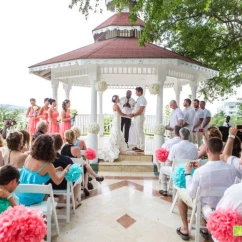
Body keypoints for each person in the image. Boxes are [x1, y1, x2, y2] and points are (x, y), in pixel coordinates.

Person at [176, 138, 236, 241]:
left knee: (181, 193)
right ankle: (206, 228)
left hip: (205, 207)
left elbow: (191, 193)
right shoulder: (232, 169)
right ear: (221, 149)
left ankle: (185, 228)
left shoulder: (201, 172)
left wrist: (187, 174)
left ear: (207, 150)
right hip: (224, 207)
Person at [16, 134, 71, 206]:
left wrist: (54, 170)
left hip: (19, 196)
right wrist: (66, 170)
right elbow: (57, 181)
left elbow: (34, 174)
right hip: (33, 198)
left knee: (45, 191)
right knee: (46, 192)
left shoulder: (29, 157)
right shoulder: (47, 165)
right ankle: (43, 214)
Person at [62, 130, 104, 196]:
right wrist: (84, 162)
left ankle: (94, 178)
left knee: (85, 166)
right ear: (74, 138)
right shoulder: (76, 149)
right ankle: (86, 186)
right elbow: (79, 163)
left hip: (65, 169)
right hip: (74, 170)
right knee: (85, 167)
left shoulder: (62, 148)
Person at [159, 127, 198, 196]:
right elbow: (195, 159)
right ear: (189, 136)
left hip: (177, 171)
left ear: (180, 136)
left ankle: (164, 189)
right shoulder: (194, 147)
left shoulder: (175, 146)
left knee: (162, 169)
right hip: (191, 171)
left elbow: (170, 161)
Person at [48, 133, 81, 208]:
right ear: (60, 146)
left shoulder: (45, 160)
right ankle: (74, 201)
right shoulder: (66, 159)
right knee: (79, 176)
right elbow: (73, 172)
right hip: (64, 185)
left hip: (49, 185)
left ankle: (61, 199)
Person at [98, 95, 128, 162]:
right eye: (118, 98)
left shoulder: (115, 105)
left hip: (117, 119)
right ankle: (115, 145)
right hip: (117, 119)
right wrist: (128, 115)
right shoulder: (116, 106)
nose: (119, 99)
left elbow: (119, 111)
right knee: (116, 132)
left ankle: (117, 145)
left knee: (117, 131)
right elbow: (120, 113)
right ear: (116, 99)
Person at [130, 87, 147, 152]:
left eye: (136, 91)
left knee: (140, 132)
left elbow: (140, 110)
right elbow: (136, 109)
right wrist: (132, 114)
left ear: (140, 92)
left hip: (139, 117)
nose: (135, 93)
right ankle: (138, 145)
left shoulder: (143, 99)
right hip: (136, 117)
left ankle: (142, 147)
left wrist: (133, 114)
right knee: (137, 132)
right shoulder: (139, 99)